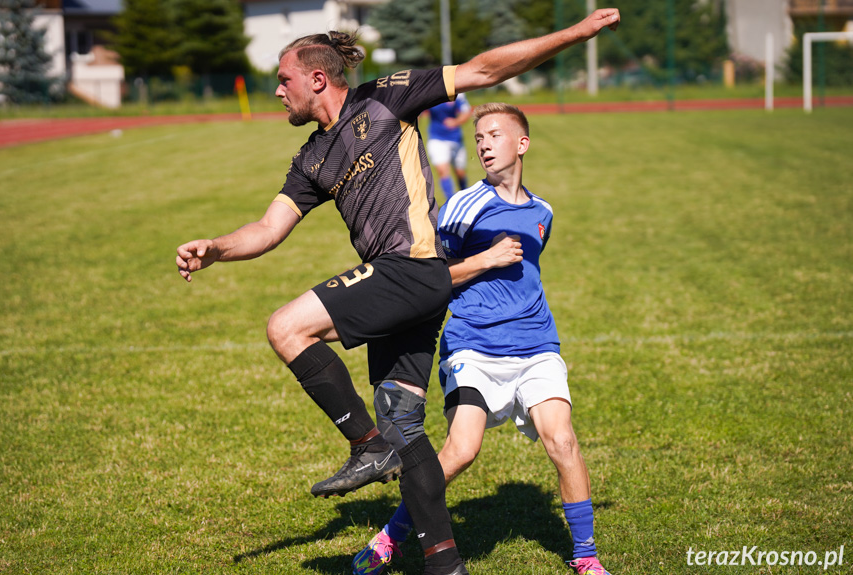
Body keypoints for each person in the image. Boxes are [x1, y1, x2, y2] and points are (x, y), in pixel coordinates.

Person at [176, 9, 619, 575]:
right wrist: (216, 247)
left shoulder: (384, 97)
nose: (277, 91)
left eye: (284, 79)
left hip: (410, 269)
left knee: (286, 327)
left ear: (317, 78)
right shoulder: (311, 158)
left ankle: (364, 445)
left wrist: (577, 34)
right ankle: (443, 562)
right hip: (412, 291)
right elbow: (267, 230)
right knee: (406, 431)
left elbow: (485, 69)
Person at [352, 103, 614, 575]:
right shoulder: (463, 207)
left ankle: (585, 556)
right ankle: (390, 537)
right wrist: (487, 259)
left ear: (522, 143)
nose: (484, 144)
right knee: (460, 451)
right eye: (479, 138)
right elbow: (432, 277)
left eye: (494, 135)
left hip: (537, 345)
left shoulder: (543, 212)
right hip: (474, 345)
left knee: (563, 442)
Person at [427, 93, 472, 201]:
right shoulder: (431, 92)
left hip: (455, 139)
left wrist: (456, 122)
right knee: (443, 170)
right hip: (437, 139)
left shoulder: (458, 93)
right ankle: (450, 202)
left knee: (460, 173)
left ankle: (465, 200)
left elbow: (466, 112)